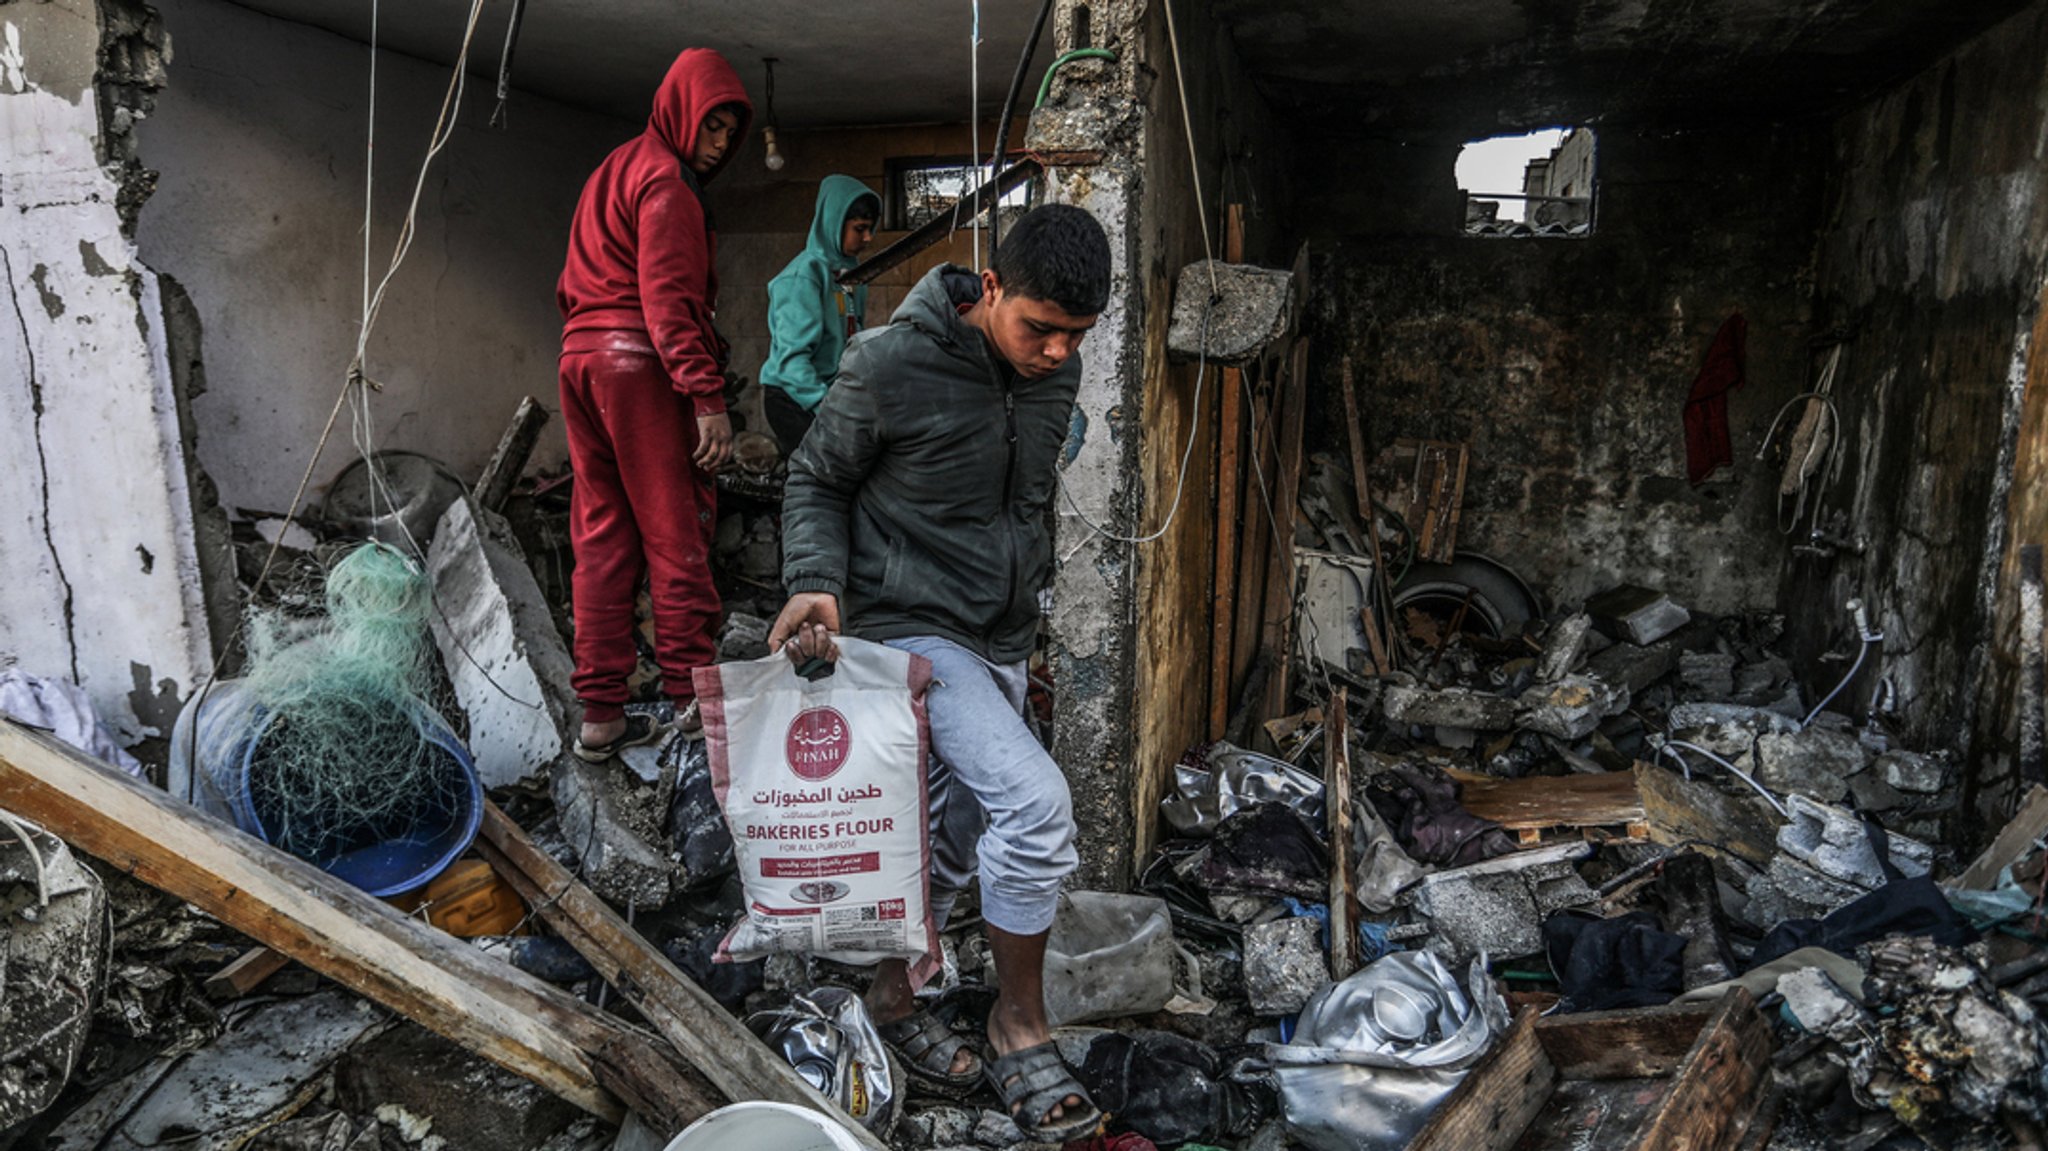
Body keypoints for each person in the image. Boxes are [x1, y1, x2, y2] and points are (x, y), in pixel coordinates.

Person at [770, 205, 1112, 1143]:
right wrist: (815, 584)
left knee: (960, 820)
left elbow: (1025, 498)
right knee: (1035, 807)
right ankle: (1019, 1022)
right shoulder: (888, 363)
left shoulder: (1057, 373)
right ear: (988, 288)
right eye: (1037, 326)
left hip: (1000, 635)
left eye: (1074, 335)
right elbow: (816, 479)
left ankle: (889, 994)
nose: (1054, 352)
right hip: (910, 626)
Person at [555, 49, 749, 759]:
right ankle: (689, 700)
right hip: (640, 364)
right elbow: (669, 300)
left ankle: (600, 715)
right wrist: (705, 396)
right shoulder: (668, 183)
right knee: (677, 534)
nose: (721, 143)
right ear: (680, 111)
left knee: (601, 537)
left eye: (730, 131)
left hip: (580, 359)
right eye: (712, 124)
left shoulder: (615, 168)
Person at [759, 175, 880, 455]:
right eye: (860, 228)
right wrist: (826, 408)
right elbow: (792, 363)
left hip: (827, 392)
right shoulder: (804, 276)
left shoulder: (852, 275)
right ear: (834, 224)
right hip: (793, 395)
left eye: (870, 229)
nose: (868, 238)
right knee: (819, 473)